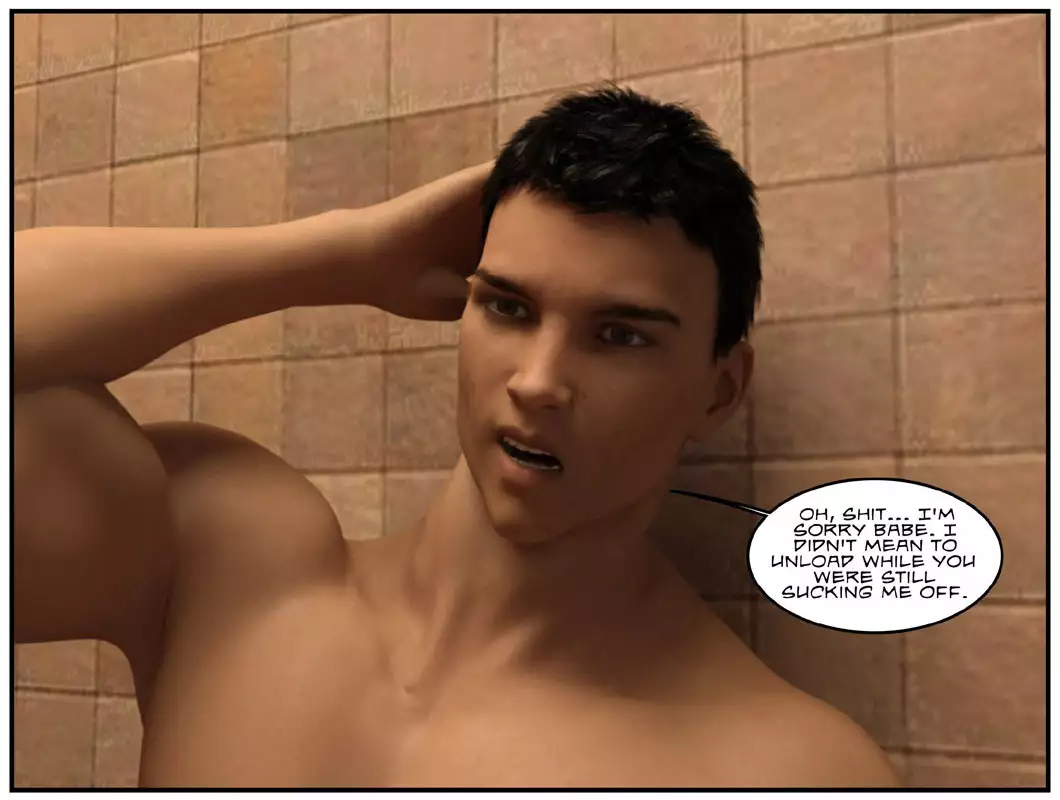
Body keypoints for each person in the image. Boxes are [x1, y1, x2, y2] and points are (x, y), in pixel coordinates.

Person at [14, 85, 899, 788]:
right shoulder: (226, 562)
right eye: (508, 307)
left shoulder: (783, 768)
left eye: (620, 335)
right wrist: (345, 252)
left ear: (719, 390)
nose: (539, 381)